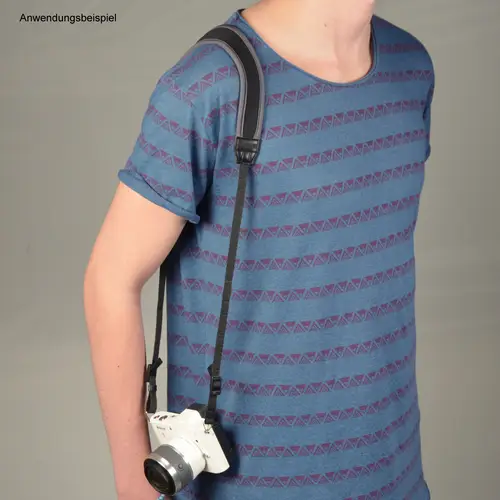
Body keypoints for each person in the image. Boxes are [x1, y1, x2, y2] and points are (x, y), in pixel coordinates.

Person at [83, 0, 435, 499]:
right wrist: (134, 486)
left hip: (395, 476)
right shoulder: (210, 86)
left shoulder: (411, 67)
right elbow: (110, 279)